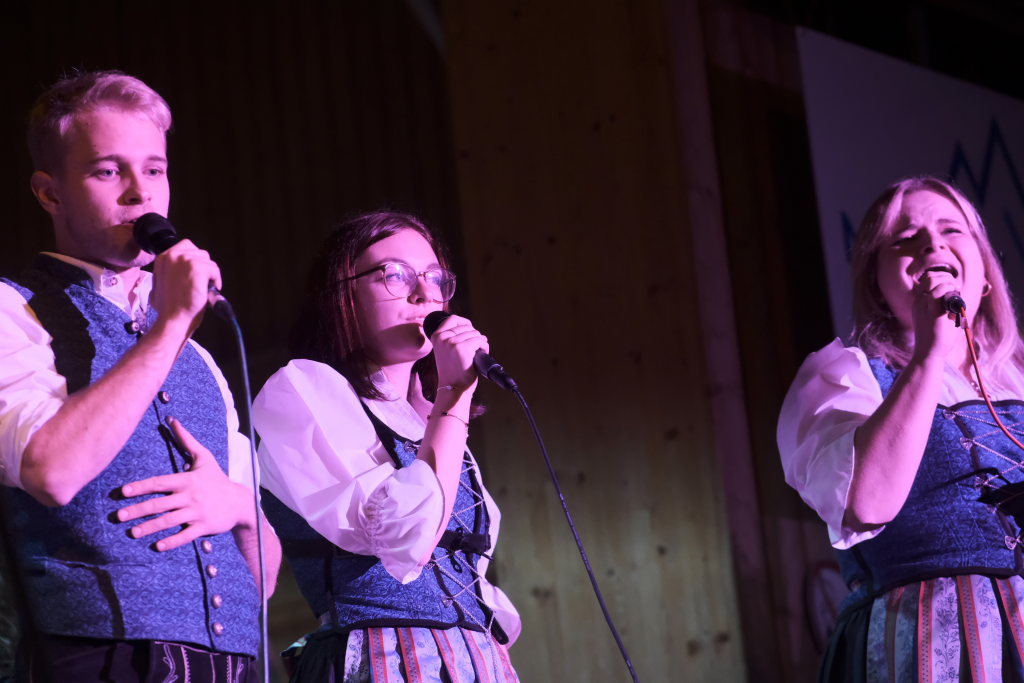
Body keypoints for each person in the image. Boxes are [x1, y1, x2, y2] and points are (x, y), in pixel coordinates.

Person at [0, 70, 280, 682]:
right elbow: (50, 471)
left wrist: (238, 504)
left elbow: (263, 569)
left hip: (227, 664)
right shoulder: (13, 311)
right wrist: (169, 324)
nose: (139, 193)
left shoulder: (198, 357)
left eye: (154, 170)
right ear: (49, 193)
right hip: (96, 655)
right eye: (108, 171)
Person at [253, 211, 521, 682]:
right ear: (343, 296)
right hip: (382, 658)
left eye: (434, 277)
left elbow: (467, 571)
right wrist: (454, 396)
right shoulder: (302, 390)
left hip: (474, 661)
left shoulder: (429, 416)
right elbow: (406, 538)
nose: (423, 293)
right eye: (395, 275)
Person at [778, 175, 1024, 680]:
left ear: (984, 275)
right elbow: (867, 503)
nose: (932, 244)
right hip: (930, 640)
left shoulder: (1018, 379)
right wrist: (929, 355)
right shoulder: (845, 378)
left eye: (951, 230)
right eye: (905, 238)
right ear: (876, 282)